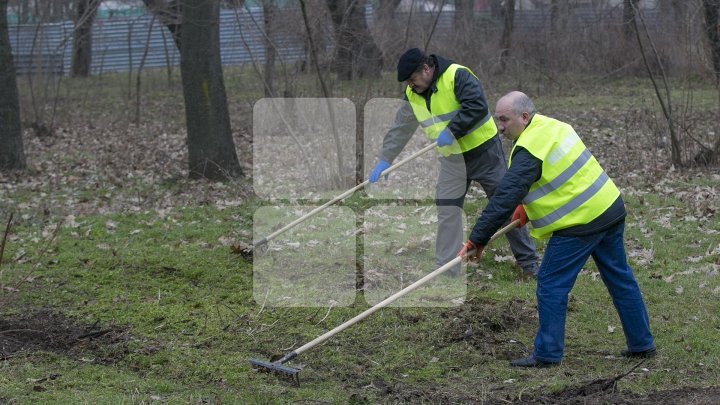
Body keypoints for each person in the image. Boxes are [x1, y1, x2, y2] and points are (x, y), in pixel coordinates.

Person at [458, 91, 656, 367]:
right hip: (609, 207)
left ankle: (547, 354)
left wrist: (477, 239)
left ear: (524, 117)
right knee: (620, 278)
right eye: (497, 120)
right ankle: (642, 344)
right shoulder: (553, 126)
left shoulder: (528, 149)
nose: (499, 126)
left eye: (504, 120)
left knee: (550, 284)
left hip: (581, 223)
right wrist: (527, 208)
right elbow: (560, 174)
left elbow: (504, 197)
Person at [369, 48, 540, 277]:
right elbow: (401, 127)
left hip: (484, 153)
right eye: (408, 82)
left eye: (413, 79)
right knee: (447, 207)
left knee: (504, 204)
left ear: (427, 69)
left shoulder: (457, 75)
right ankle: (447, 268)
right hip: (452, 160)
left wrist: (452, 130)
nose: (411, 85)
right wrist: (385, 159)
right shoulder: (412, 95)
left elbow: (477, 105)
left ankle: (528, 263)